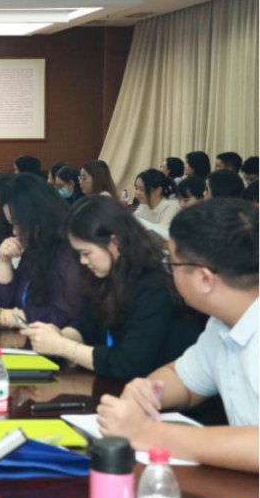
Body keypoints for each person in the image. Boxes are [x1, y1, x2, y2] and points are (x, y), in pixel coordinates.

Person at [97, 199, 258, 472]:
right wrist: (148, 391)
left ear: (205, 279)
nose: (169, 273)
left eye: (172, 264)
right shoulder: (222, 323)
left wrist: (147, 433)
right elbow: (184, 379)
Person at [22, 195, 202, 380]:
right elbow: (87, 325)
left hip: (160, 391)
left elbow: (128, 363)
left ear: (115, 243)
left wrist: (63, 347)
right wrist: (59, 335)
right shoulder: (109, 276)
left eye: (86, 253)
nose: (82, 261)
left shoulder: (154, 288)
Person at [0, 173, 87, 329]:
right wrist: (3, 261)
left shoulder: (68, 254)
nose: (14, 232)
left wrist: (5, 317)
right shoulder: (34, 250)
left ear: (34, 217)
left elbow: (63, 317)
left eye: (16, 223)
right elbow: (1, 303)